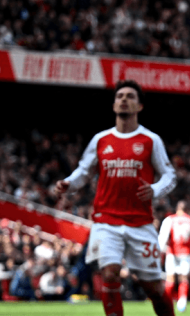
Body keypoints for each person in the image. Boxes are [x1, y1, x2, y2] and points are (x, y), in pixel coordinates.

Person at [53, 80, 177, 316]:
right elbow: (84, 171)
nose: (124, 99)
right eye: (120, 96)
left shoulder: (150, 140)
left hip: (140, 223)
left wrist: (154, 189)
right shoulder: (101, 139)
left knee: (153, 288)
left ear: (139, 106)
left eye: (130, 96)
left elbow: (169, 175)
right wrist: (69, 183)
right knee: (109, 274)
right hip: (106, 221)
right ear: (113, 105)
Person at [158, 200, 190, 313]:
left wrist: (160, 251)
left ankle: (166, 302)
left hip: (172, 253)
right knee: (184, 278)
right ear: (187, 209)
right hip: (186, 253)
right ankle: (182, 303)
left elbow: (163, 237)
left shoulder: (169, 219)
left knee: (170, 279)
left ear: (177, 208)